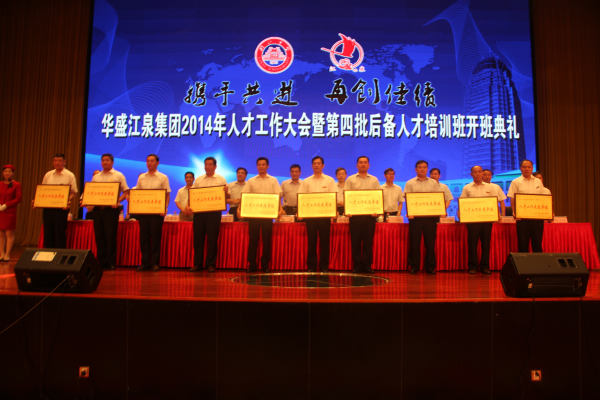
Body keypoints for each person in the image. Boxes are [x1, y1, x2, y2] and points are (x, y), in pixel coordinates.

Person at [237, 157, 284, 273]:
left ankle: (265, 265)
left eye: (263, 165)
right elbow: (244, 196)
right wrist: (239, 209)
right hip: (253, 215)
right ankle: (252, 264)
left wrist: (280, 210)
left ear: (267, 166)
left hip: (267, 215)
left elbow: (277, 196)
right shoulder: (251, 180)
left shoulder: (273, 180)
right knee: (253, 240)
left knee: (267, 240)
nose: (261, 166)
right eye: (259, 165)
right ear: (257, 166)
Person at [86, 154, 129, 270]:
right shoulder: (96, 177)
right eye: (103, 160)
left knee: (110, 237)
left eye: (107, 160)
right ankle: (101, 261)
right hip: (97, 210)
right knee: (99, 236)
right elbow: (91, 192)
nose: (105, 162)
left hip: (111, 210)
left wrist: (117, 200)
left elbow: (126, 191)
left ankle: (110, 262)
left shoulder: (118, 175)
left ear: (112, 162)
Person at [186, 157, 228, 273]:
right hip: (199, 213)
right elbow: (192, 194)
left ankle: (210, 264)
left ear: (215, 166)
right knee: (198, 239)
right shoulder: (199, 180)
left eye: (210, 164)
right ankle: (197, 264)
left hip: (214, 214)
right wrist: (188, 205)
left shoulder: (221, 179)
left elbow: (227, 196)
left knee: (212, 239)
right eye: (206, 164)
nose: (207, 167)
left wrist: (226, 191)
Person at [404, 160, 445, 275]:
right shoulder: (410, 183)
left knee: (430, 244)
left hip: (430, 218)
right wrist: (409, 211)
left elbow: (437, 198)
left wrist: (440, 211)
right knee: (414, 243)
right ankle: (414, 266)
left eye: (424, 167)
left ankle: (430, 267)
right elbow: (407, 199)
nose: (422, 169)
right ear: (415, 169)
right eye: (420, 167)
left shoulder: (433, 183)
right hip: (415, 218)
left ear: (427, 169)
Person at [297, 156, 337, 272]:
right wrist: (300, 212)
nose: (316, 165)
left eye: (319, 163)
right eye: (314, 163)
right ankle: (311, 266)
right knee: (312, 242)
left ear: (323, 165)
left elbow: (333, 197)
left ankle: (324, 266)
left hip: (325, 216)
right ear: (311, 166)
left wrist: (334, 212)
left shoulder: (329, 180)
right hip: (311, 217)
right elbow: (301, 198)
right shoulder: (306, 181)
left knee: (325, 242)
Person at [460, 165, 498, 275]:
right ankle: (472, 266)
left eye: (480, 171)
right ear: (471, 174)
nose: (478, 174)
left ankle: (485, 266)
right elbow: (463, 202)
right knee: (472, 244)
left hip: (487, 220)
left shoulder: (490, 187)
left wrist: (496, 215)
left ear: (482, 173)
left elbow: (494, 202)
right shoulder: (467, 188)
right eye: (475, 172)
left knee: (486, 244)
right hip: (473, 221)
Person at [34, 153, 78, 249]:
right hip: (48, 208)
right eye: (55, 161)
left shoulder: (69, 175)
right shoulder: (48, 174)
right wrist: (37, 201)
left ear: (64, 162)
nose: (57, 163)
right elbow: (43, 190)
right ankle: (48, 254)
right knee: (48, 232)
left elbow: (73, 192)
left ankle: (60, 254)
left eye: (59, 161)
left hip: (61, 209)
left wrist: (66, 201)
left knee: (60, 233)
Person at [345, 156, 380, 273]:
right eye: (361, 162)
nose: (363, 164)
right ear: (357, 165)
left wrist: (377, 211)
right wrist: (348, 211)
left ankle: (367, 265)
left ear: (369, 165)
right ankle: (357, 265)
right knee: (355, 242)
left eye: (365, 162)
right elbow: (346, 196)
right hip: (355, 216)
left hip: (370, 216)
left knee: (368, 242)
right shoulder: (350, 179)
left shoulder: (374, 180)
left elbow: (378, 197)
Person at [135, 154, 170, 271]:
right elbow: (137, 194)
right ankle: (144, 263)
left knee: (155, 238)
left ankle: (155, 263)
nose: (149, 163)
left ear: (157, 163)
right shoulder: (141, 177)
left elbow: (167, 194)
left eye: (152, 161)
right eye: (148, 161)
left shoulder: (163, 177)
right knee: (144, 238)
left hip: (157, 213)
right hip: (143, 212)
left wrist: (165, 208)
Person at [507, 160, 547, 253]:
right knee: (523, 243)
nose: (527, 169)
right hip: (522, 218)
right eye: (524, 167)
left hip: (537, 217)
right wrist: (514, 212)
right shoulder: (516, 182)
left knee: (537, 243)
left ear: (532, 168)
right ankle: (523, 262)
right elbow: (512, 198)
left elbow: (543, 198)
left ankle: (538, 262)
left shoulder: (538, 181)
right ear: (520, 169)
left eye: (529, 167)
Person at [0, 165, 22, 261]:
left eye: (9, 171)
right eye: (5, 171)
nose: (7, 173)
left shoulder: (16, 184)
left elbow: (18, 198)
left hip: (10, 211)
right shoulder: (0, 184)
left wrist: (6, 205)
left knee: (9, 233)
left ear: (13, 173)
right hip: (0, 211)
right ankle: (1, 254)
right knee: (0, 233)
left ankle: (7, 254)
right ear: (3, 173)